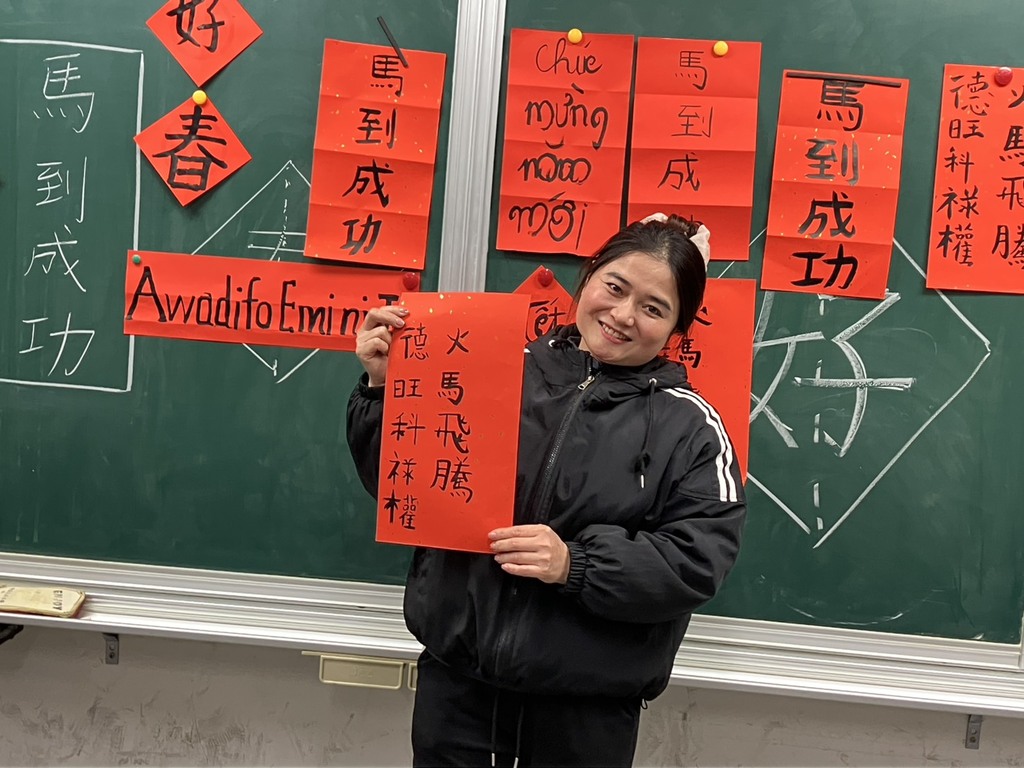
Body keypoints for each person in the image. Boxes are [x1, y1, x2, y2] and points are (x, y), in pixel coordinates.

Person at [347, 214, 746, 768]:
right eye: (615, 287)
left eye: (654, 309)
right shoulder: (491, 368)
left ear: (677, 328)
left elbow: (698, 561)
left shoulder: (693, 428)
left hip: (585, 711)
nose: (623, 315)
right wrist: (383, 388)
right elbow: (405, 493)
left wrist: (574, 565)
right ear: (589, 277)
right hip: (458, 690)